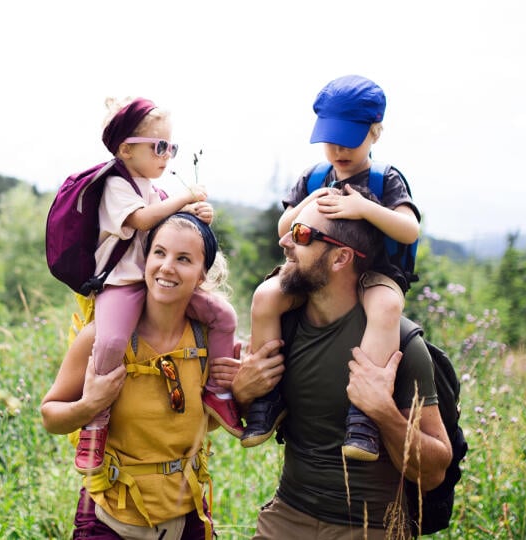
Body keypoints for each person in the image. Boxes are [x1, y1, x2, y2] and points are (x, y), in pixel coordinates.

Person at [232, 194, 451, 538]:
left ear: (341, 258)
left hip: (370, 527)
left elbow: (435, 472)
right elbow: (252, 419)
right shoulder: (283, 327)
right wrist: (243, 392)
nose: (285, 242)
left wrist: (383, 412)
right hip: (287, 515)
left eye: (302, 235)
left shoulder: (403, 345)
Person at [243, 75, 421, 462]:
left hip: (373, 273)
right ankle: (268, 395)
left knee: (387, 308)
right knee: (266, 296)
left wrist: (364, 209)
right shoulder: (315, 177)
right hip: (317, 269)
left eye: (349, 139)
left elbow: (409, 229)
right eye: (331, 139)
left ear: (375, 133)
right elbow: (282, 229)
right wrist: (306, 203)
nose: (338, 149)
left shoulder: (384, 180)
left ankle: (364, 415)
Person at [41, 213, 239, 540]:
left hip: (186, 514)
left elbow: (213, 418)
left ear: (203, 275)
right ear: (145, 260)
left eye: (184, 259)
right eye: (159, 253)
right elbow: (50, 417)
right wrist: (90, 404)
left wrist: (246, 384)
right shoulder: (102, 337)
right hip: (107, 517)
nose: (167, 267)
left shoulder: (208, 340)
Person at [75, 97, 243, 475]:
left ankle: (218, 391)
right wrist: (185, 197)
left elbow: (172, 225)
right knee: (113, 340)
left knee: (222, 314)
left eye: (172, 147)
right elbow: (144, 220)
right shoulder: (117, 185)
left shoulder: (152, 187)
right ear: (126, 149)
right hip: (123, 282)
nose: (167, 155)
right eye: (160, 146)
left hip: (156, 281)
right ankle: (96, 420)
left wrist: (196, 214)